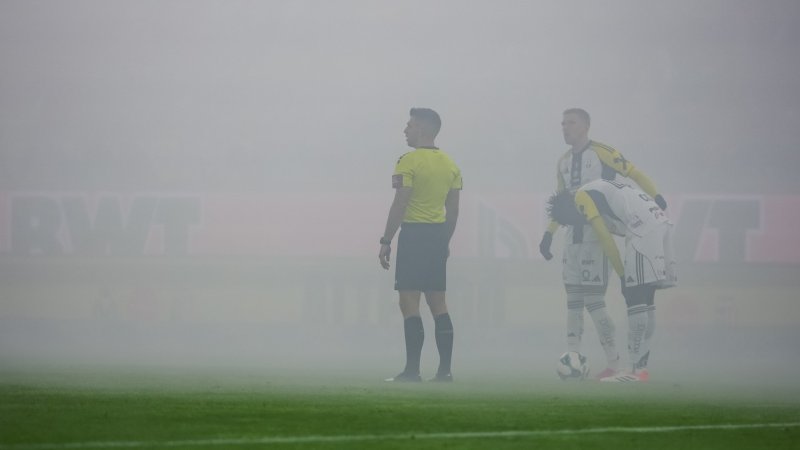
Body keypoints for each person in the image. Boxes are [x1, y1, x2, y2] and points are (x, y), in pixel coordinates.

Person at [538, 108, 668, 380]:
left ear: (585, 126)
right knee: (573, 300)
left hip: (598, 232)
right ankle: (572, 355)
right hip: (571, 236)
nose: (565, 127)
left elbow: (633, 172)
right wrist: (549, 232)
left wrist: (656, 196)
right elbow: (561, 203)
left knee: (594, 299)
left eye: (571, 123)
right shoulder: (562, 162)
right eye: (562, 123)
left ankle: (616, 362)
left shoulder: (602, 152)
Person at [546, 179, 676, 382]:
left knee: (635, 297)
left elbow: (605, 238)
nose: (578, 222)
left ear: (570, 208)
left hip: (644, 230)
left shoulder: (582, 197)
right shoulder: (598, 190)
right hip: (659, 222)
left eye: (571, 220)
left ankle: (634, 371)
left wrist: (623, 274)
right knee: (647, 299)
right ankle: (640, 369)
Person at [378, 108, 462, 382]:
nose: (405, 129)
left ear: (423, 130)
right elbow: (453, 211)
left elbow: (400, 202)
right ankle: (445, 371)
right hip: (438, 236)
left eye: (410, 125)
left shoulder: (408, 161)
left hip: (414, 235)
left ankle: (412, 371)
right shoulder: (451, 164)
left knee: (409, 303)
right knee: (438, 303)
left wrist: (386, 239)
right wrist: (445, 242)